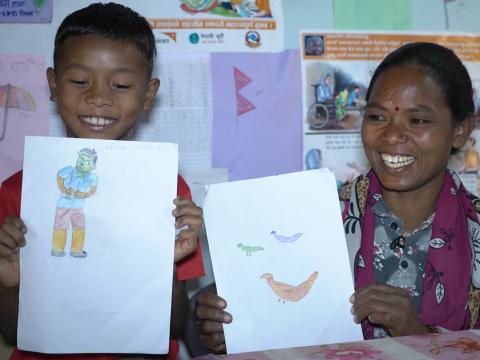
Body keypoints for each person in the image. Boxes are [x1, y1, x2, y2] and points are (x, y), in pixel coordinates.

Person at [189, 42, 480, 354]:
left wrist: (419, 335)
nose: (392, 135)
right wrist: (222, 329)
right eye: (378, 117)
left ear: (461, 129)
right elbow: (263, 317)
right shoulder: (311, 217)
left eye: (418, 120)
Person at [0, 3, 204, 359]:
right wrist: (9, 284)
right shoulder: (18, 192)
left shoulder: (169, 192)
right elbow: (10, 329)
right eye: (79, 81)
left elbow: (174, 324)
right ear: (53, 85)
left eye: (121, 84)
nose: (98, 98)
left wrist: (165, 263)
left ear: (148, 95)